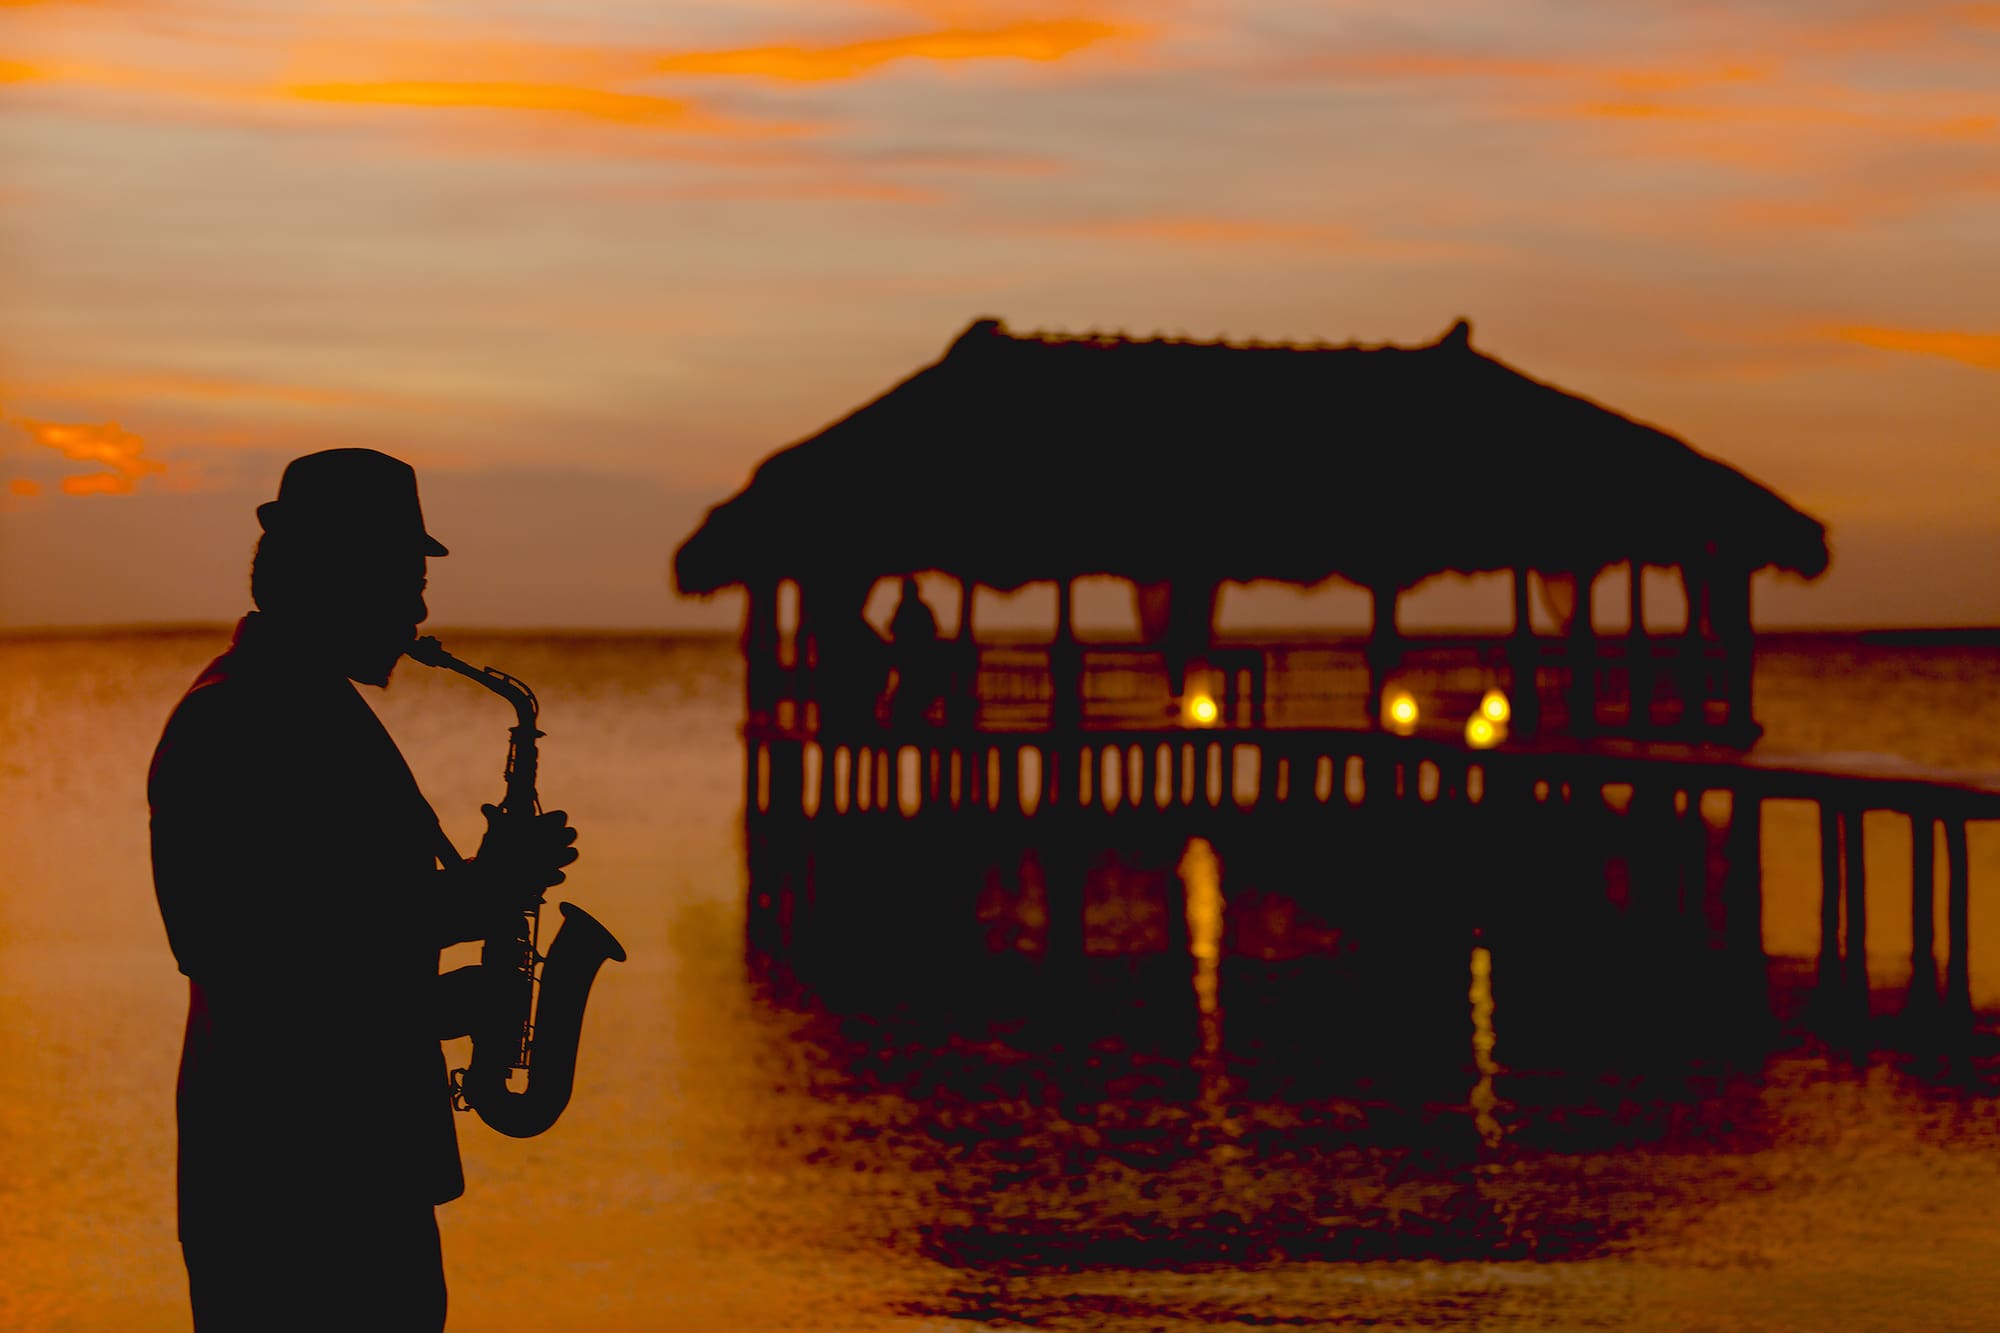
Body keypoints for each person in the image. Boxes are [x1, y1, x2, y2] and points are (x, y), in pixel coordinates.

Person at [147, 448, 578, 1331]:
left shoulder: (303, 704)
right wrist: (473, 914)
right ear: (336, 574)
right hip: (293, 1185)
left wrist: (481, 900)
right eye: (406, 576)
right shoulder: (237, 719)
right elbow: (242, 957)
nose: (421, 606)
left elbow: (338, 922)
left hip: (346, 1166)